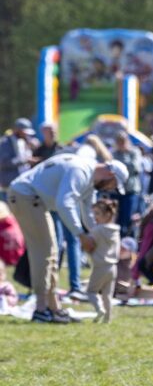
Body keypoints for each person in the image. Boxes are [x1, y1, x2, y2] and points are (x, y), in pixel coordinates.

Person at [8, 154, 128, 324]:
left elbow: (87, 212)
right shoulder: (81, 171)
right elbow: (64, 203)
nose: (109, 190)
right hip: (26, 197)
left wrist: (95, 235)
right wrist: (81, 235)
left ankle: (53, 307)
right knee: (43, 253)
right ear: (111, 175)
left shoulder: (89, 178)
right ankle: (41, 309)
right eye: (113, 185)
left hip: (32, 199)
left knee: (52, 252)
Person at [85, 199, 120, 323]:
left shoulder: (98, 230)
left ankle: (99, 309)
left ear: (107, 215)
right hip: (113, 267)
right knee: (107, 295)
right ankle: (107, 319)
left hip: (100, 266)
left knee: (91, 292)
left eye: (97, 214)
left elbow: (88, 243)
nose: (95, 217)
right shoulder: (116, 230)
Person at [112, 131, 143, 237]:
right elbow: (111, 168)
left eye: (123, 141)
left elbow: (135, 167)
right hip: (116, 191)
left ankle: (129, 245)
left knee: (129, 219)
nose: (121, 143)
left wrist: (121, 163)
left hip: (130, 191)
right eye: (119, 141)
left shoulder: (134, 152)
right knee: (116, 219)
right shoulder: (114, 153)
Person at [0, 118, 36, 201]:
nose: (26, 135)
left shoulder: (23, 141)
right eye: (24, 132)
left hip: (22, 185)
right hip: (10, 186)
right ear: (17, 130)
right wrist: (24, 160)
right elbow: (3, 163)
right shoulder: (5, 143)